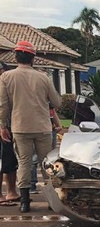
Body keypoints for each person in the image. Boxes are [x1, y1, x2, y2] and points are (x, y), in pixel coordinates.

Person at [0, 41, 61, 213]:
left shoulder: (6, 77)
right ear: (33, 58)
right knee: (46, 164)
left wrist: (2, 126)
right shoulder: (43, 77)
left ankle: (25, 203)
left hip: (19, 127)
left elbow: (3, 105)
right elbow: (56, 102)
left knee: (24, 163)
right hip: (42, 126)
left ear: (16, 57)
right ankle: (51, 201)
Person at [0, 61, 19, 206]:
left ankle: (11, 191)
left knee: (10, 161)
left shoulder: (7, 86)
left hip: (9, 127)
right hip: (4, 127)